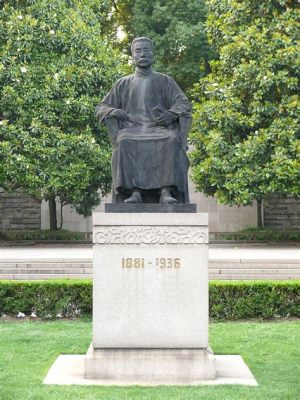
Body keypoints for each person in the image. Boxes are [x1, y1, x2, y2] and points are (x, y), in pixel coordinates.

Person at [95, 37, 192, 203]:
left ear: (153, 54)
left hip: (160, 129)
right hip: (132, 129)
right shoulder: (122, 84)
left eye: (146, 50)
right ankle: (135, 192)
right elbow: (101, 107)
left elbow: (183, 103)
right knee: (124, 140)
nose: (143, 54)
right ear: (132, 56)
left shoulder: (165, 81)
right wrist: (113, 111)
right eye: (138, 51)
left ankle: (166, 191)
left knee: (171, 138)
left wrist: (171, 114)